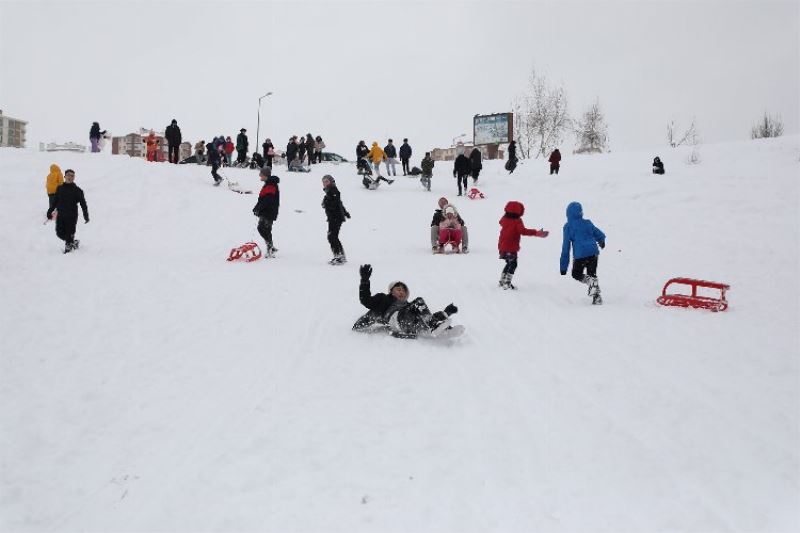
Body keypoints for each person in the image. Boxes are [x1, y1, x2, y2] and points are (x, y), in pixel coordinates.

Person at [352, 264, 458, 339]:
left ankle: (444, 330)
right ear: (391, 291)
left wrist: (446, 312)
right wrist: (364, 281)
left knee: (425, 313)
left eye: (403, 290)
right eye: (398, 289)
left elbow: (426, 316)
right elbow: (366, 302)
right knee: (419, 302)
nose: (402, 292)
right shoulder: (383, 298)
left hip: (409, 324)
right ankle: (434, 327)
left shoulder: (408, 305)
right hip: (396, 320)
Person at [560, 201, 606, 305]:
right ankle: (596, 297)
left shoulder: (568, 227)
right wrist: (601, 240)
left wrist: (563, 267)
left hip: (580, 255)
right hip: (593, 252)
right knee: (592, 274)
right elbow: (597, 232)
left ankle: (590, 283)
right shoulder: (588, 223)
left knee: (576, 274)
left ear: (568, 214)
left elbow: (565, 248)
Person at [498, 201, 549, 289]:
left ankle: (502, 281)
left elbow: (501, 222)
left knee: (509, 263)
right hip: (511, 246)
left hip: (502, 245)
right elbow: (523, 231)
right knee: (513, 264)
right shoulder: (517, 221)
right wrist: (536, 233)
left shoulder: (504, 218)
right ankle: (507, 283)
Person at [46, 169, 89, 253]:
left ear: (74, 178)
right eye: (69, 175)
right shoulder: (59, 188)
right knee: (59, 233)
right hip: (61, 215)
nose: (70, 177)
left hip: (72, 215)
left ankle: (68, 252)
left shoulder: (78, 190)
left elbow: (83, 204)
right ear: (65, 176)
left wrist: (85, 215)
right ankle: (73, 242)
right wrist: (49, 211)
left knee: (69, 233)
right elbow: (55, 202)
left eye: (72, 175)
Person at [321, 175, 351, 265]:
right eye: (323, 182)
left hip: (336, 217)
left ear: (331, 181)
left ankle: (339, 256)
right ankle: (339, 256)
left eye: (326, 181)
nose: (324, 183)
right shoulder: (330, 191)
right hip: (334, 217)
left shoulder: (333, 191)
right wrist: (346, 213)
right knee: (332, 236)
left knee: (332, 236)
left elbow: (334, 204)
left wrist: (325, 203)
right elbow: (339, 203)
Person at [252, 166, 280, 257]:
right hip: (265, 211)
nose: (260, 176)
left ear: (265, 175)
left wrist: (258, 208)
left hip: (269, 211)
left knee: (264, 229)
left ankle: (270, 248)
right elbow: (263, 199)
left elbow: (268, 200)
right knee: (264, 229)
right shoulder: (268, 183)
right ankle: (271, 247)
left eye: (261, 174)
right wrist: (257, 207)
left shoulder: (271, 184)